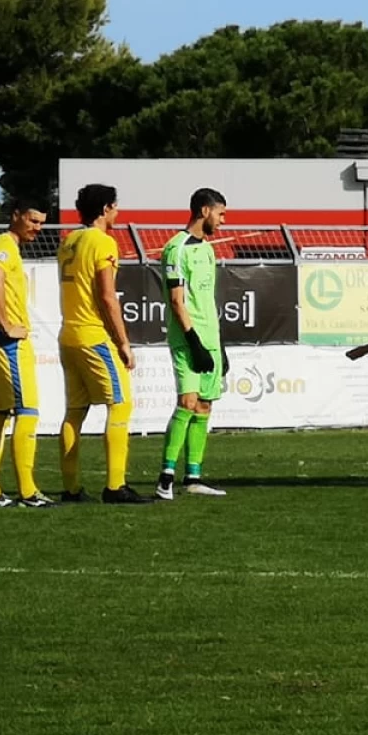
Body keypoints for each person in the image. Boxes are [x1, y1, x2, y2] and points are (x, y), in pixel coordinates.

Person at [58, 183, 145, 504]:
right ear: (106, 208)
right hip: (93, 335)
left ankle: (70, 488)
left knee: (75, 412)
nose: (118, 213)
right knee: (120, 404)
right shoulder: (103, 242)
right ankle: (115, 486)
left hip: (68, 335)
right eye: (116, 207)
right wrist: (123, 342)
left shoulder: (69, 242)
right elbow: (107, 297)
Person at [0, 200, 54, 508]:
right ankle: (28, 492)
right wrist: (7, 325)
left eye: (41, 222)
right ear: (16, 216)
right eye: (33, 220)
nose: (37, 227)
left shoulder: (8, 247)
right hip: (8, 343)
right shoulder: (5, 245)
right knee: (27, 412)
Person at [156, 188, 230, 501]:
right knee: (187, 402)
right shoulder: (176, 249)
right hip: (188, 341)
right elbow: (176, 301)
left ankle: (194, 477)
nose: (223, 221)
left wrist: (219, 346)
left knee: (204, 406)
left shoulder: (209, 250)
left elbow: (207, 301)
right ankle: (165, 479)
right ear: (204, 211)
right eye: (221, 214)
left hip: (210, 339)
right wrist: (193, 341)